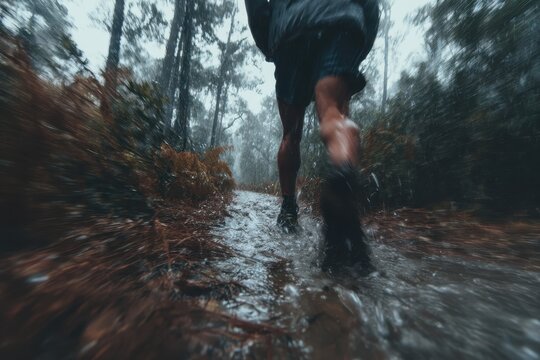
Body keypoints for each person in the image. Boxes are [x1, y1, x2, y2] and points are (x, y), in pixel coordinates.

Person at [245, 0, 380, 271]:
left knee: (290, 135)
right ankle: (342, 172)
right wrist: (361, 38)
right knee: (332, 111)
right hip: (341, 17)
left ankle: (288, 209)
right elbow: (371, 6)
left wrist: (270, 41)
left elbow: (257, 6)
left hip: (290, 31)